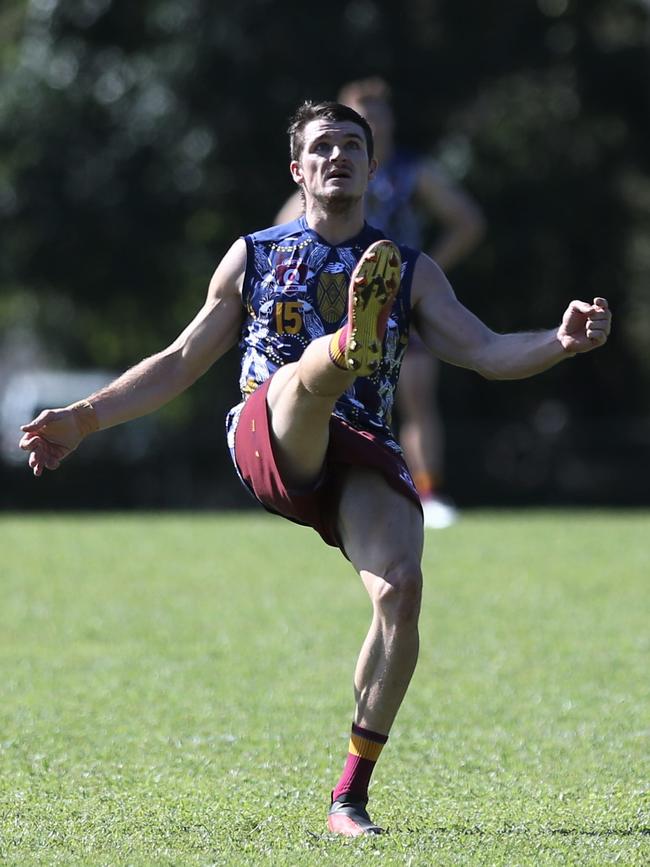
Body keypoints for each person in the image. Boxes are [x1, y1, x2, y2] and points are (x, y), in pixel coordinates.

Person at [19, 100, 611, 836]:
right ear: (298, 170)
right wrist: (82, 417)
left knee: (401, 589)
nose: (339, 157)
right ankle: (342, 348)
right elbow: (178, 362)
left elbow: (487, 351)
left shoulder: (412, 269)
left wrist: (560, 340)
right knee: (303, 377)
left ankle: (349, 797)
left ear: (371, 168)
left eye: (353, 147)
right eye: (323, 147)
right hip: (269, 433)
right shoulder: (255, 254)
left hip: (358, 452)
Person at [276, 77, 486, 529]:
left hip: (399, 308)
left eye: (378, 110)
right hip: (333, 311)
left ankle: (426, 492)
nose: (372, 117)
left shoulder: (412, 172)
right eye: (360, 109)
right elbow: (281, 230)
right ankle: (319, 488)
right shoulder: (326, 172)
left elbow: (466, 221)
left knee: (415, 398)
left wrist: (422, 272)